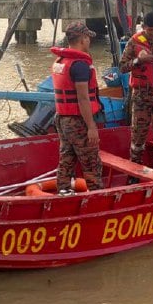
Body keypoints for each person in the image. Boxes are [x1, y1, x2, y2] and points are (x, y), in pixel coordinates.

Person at [51, 22, 104, 192]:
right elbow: (83, 98)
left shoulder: (61, 61)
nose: (89, 42)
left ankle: (63, 192)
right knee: (92, 164)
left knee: (67, 158)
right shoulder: (79, 65)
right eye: (88, 38)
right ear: (83, 39)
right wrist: (91, 127)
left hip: (62, 118)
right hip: (78, 121)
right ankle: (98, 198)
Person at [118, 11, 153, 170]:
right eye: (150, 30)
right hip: (141, 95)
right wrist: (138, 60)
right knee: (138, 134)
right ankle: (135, 169)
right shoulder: (133, 42)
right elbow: (121, 67)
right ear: (143, 28)